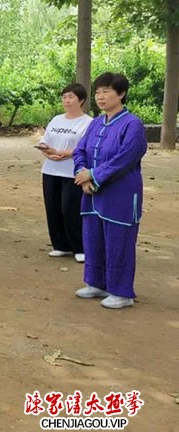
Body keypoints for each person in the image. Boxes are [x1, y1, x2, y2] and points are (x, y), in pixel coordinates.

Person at [73, 73, 147, 309]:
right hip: (92, 193)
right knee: (93, 238)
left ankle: (122, 291)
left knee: (119, 241)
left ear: (121, 94)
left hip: (121, 195)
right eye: (98, 92)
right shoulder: (95, 123)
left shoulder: (132, 124)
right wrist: (82, 174)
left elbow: (125, 158)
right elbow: (80, 150)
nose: (101, 97)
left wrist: (94, 175)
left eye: (106, 91)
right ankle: (96, 282)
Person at [37, 83, 92, 263]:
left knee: (70, 209)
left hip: (72, 171)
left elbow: (86, 148)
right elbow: (45, 141)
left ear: (81, 100)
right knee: (52, 208)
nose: (66, 101)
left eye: (71, 97)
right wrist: (47, 152)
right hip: (51, 169)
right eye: (64, 97)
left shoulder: (88, 122)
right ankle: (60, 245)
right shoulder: (56, 120)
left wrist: (65, 154)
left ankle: (79, 247)